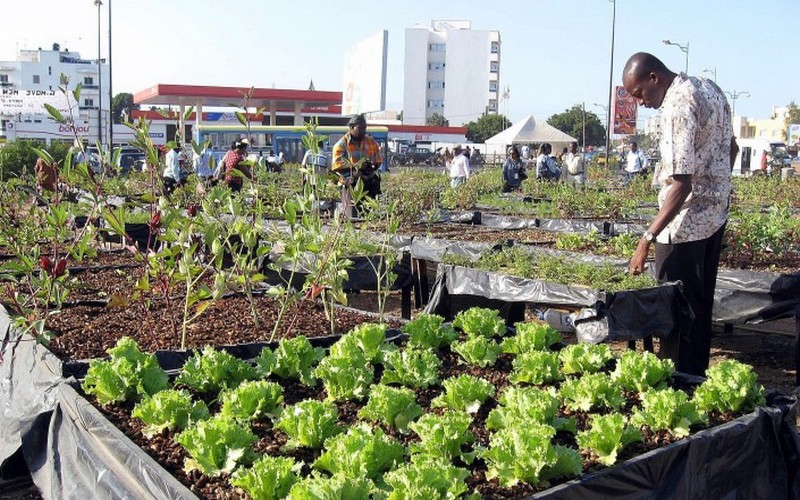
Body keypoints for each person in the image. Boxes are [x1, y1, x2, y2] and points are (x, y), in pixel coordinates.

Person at [623, 51, 735, 376]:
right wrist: (718, 187)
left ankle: (675, 385)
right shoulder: (709, 87)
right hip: (714, 217)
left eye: (639, 93)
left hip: (682, 227)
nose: (640, 103)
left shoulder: (677, 106)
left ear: (654, 78)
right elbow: (732, 149)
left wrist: (647, 238)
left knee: (674, 311)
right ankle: (695, 378)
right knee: (699, 308)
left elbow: (681, 184)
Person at [331, 114, 383, 218]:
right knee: (353, 215)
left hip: (368, 182)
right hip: (349, 182)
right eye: (360, 128)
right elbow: (336, 166)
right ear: (351, 127)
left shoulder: (371, 142)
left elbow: (378, 160)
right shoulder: (341, 144)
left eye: (365, 128)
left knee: (369, 212)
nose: (363, 130)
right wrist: (356, 166)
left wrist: (371, 166)